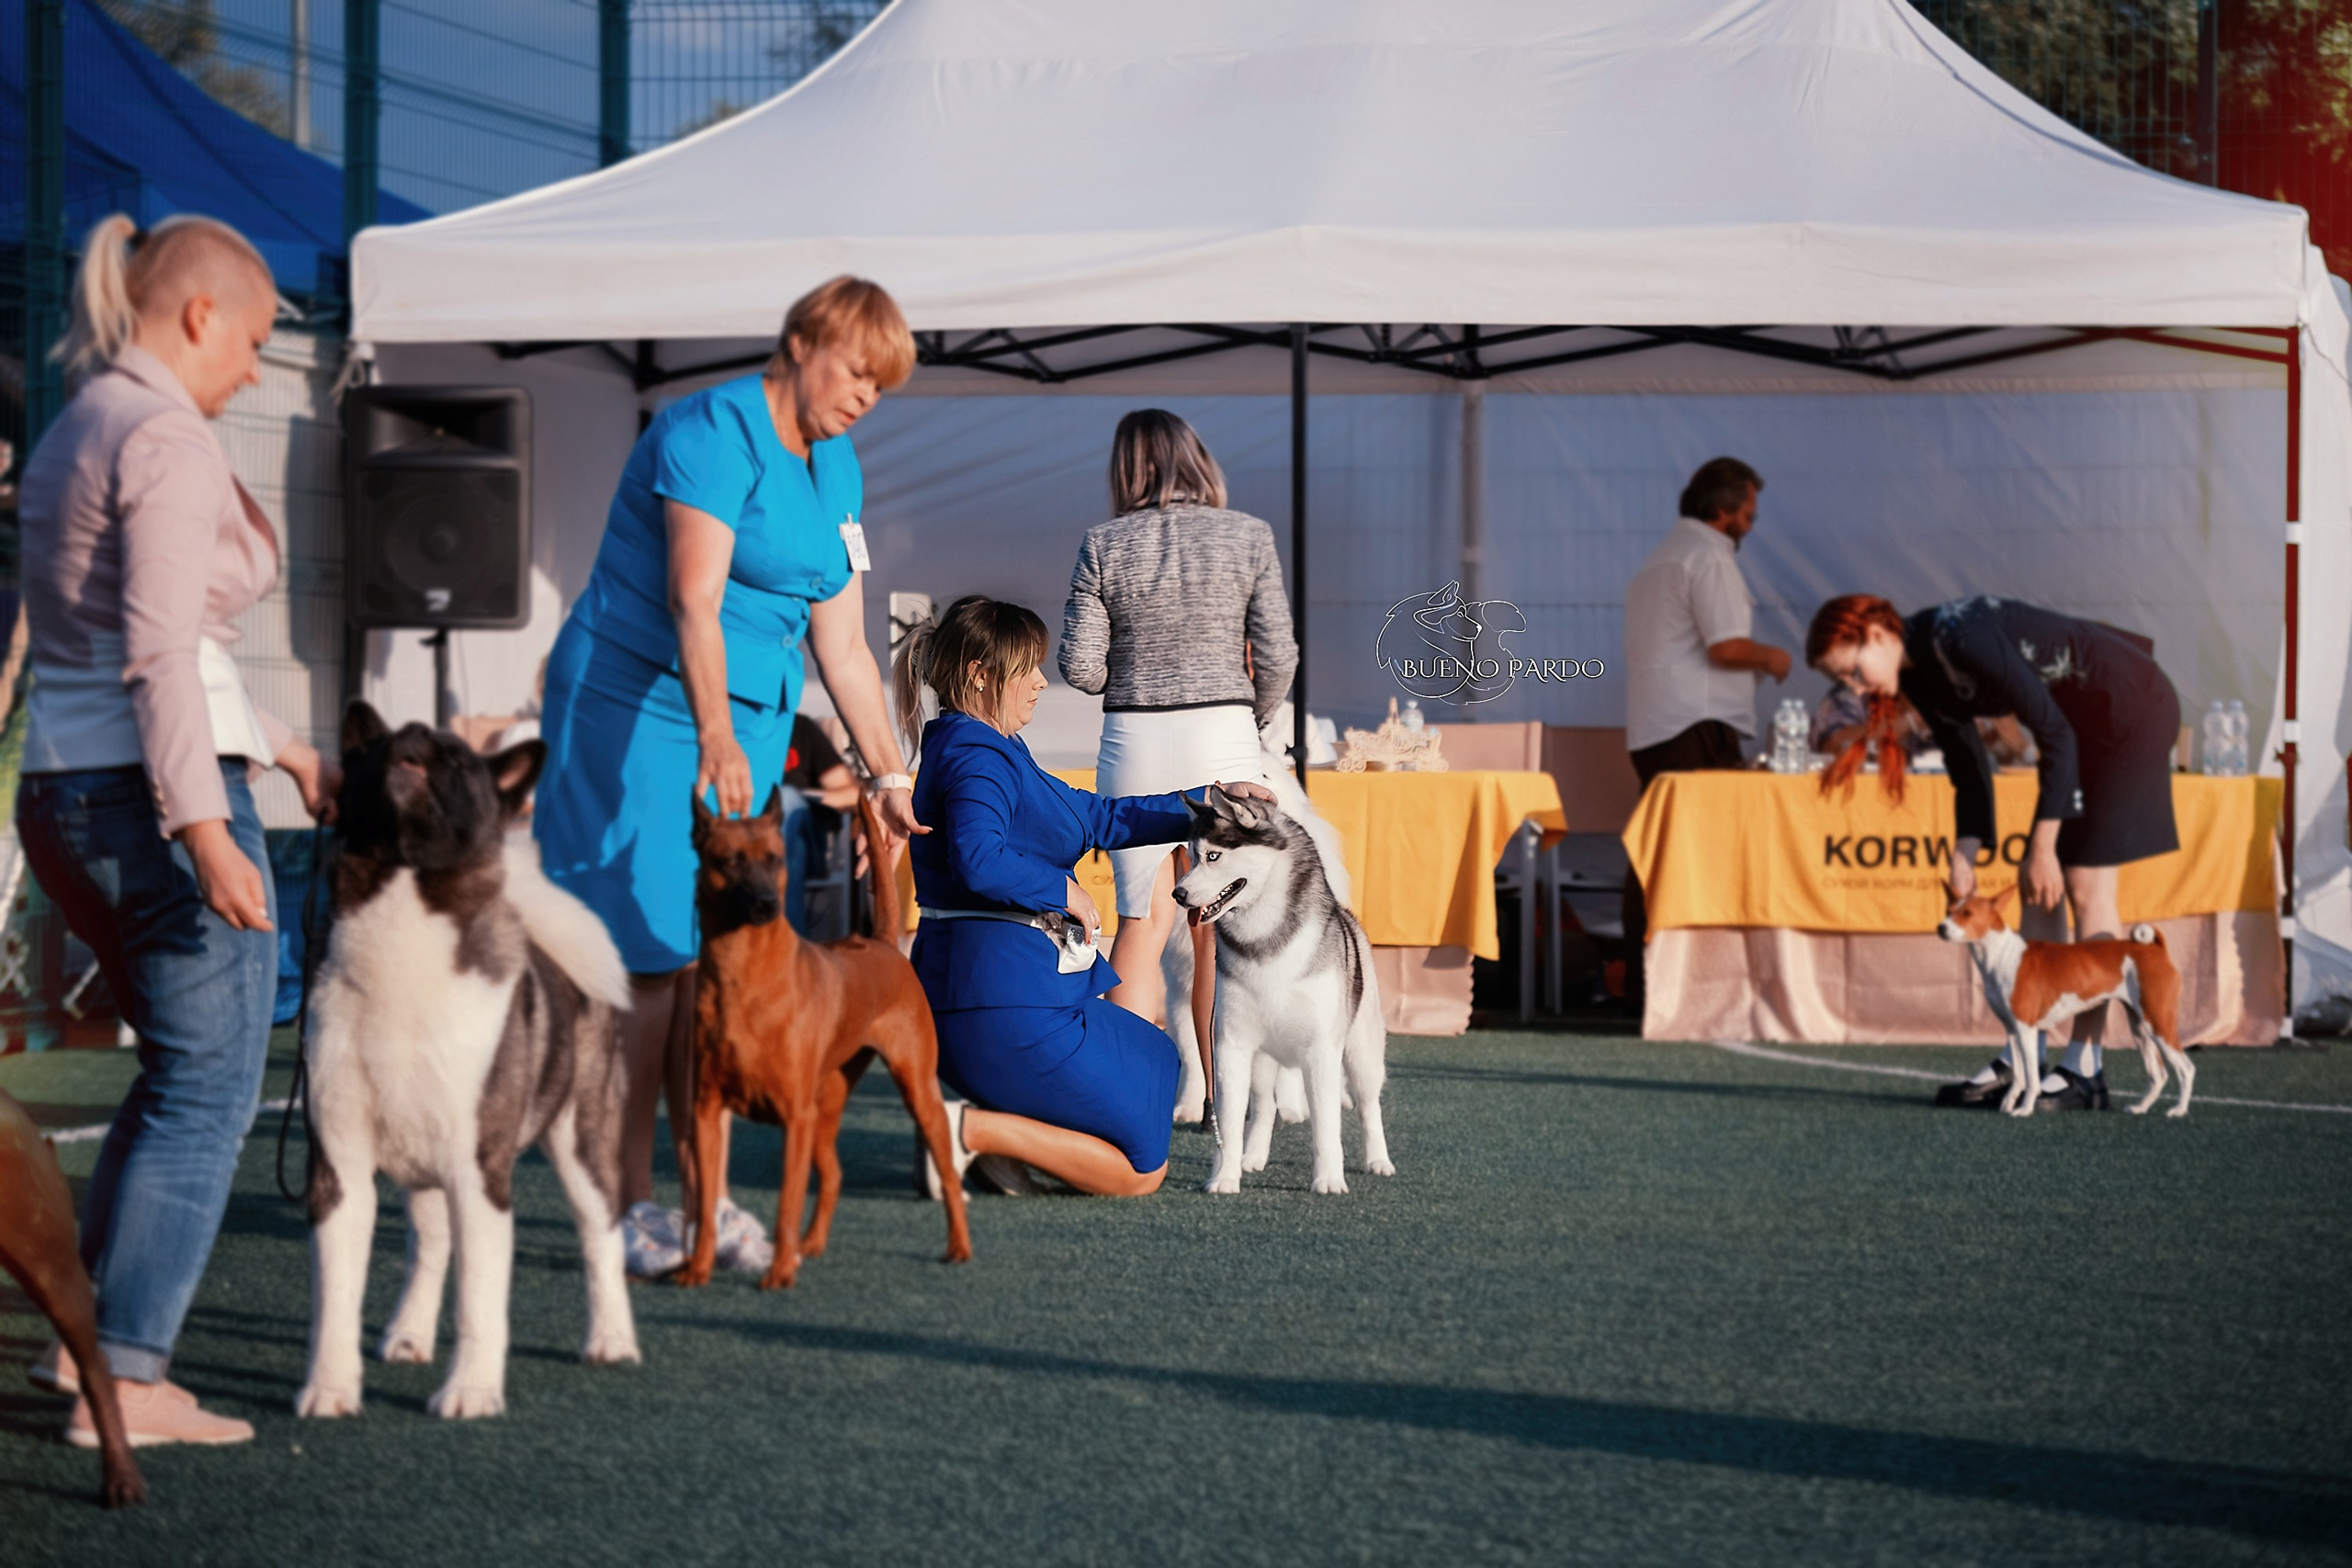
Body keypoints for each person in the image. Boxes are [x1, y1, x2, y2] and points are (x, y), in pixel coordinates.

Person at [14, 213, 340, 1444]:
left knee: (177, 1065)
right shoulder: (166, 434)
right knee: (210, 1075)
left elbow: (145, 646)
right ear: (200, 314)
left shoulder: (80, 423)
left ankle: (85, 1347)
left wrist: (288, 744)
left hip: (68, 790)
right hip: (151, 798)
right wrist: (207, 827)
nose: (258, 367)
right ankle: (129, 1376)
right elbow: (157, 653)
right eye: (256, 338)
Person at [534, 276, 926, 1276]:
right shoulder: (708, 432)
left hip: (740, 725)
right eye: (853, 371)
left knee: (717, 968)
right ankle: (629, 1207)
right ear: (799, 343)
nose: (862, 397)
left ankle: (702, 1207)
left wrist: (890, 774)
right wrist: (714, 734)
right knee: (653, 962)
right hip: (643, 706)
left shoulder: (837, 472)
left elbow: (843, 652)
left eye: (880, 386)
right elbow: (691, 598)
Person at [898, 596, 1278, 1194]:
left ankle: (994, 1139)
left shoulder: (990, 747)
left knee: (1154, 1057)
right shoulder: (975, 755)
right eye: (1027, 667)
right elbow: (978, 857)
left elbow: (1100, 816)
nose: (1040, 682)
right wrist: (1063, 890)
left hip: (1015, 995)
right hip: (1000, 1005)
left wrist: (1209, 799)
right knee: (1141, 1171)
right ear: (979, 673)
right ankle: (970, 1131)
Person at [1806, 593, 2183, 1111]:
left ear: (1876, 637)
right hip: (2078, 726)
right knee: (2037, 889)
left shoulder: (1958, 634)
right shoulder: (1915, 672)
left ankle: (2084, 1070)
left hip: (2127, 707)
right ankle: (2024, 1058)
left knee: (2082, 882)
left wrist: (2044, 844)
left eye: (1851, 672)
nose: (1855, 688)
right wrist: (1966, 856)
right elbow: (1968, 769)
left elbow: (2052, 733)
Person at [1058, 409, 1295, 1105]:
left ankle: (1129, 1093)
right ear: (1198, 458)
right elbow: (1277, 652)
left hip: (1134, 734)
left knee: (1140, 917)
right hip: (1224, 735)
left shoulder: (1102, 542)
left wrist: (1130, 668)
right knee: (1216, 926)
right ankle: (1222, 1101)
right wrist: (1249, 719)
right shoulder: (1248, 535)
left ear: (1126, 467)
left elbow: (1079, 665)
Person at [1618, 457, 1790, 1010]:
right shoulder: (1708, 556)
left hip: (1655, 724)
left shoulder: (1658, 559)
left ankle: (1644, 979)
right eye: (1748, 514)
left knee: (1657, 847)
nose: (1750, 525)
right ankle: (1687, 987)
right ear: (1723, 510)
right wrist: (1775, 656)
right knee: (1699, 853)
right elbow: (1726, 647)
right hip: (1696, 726)